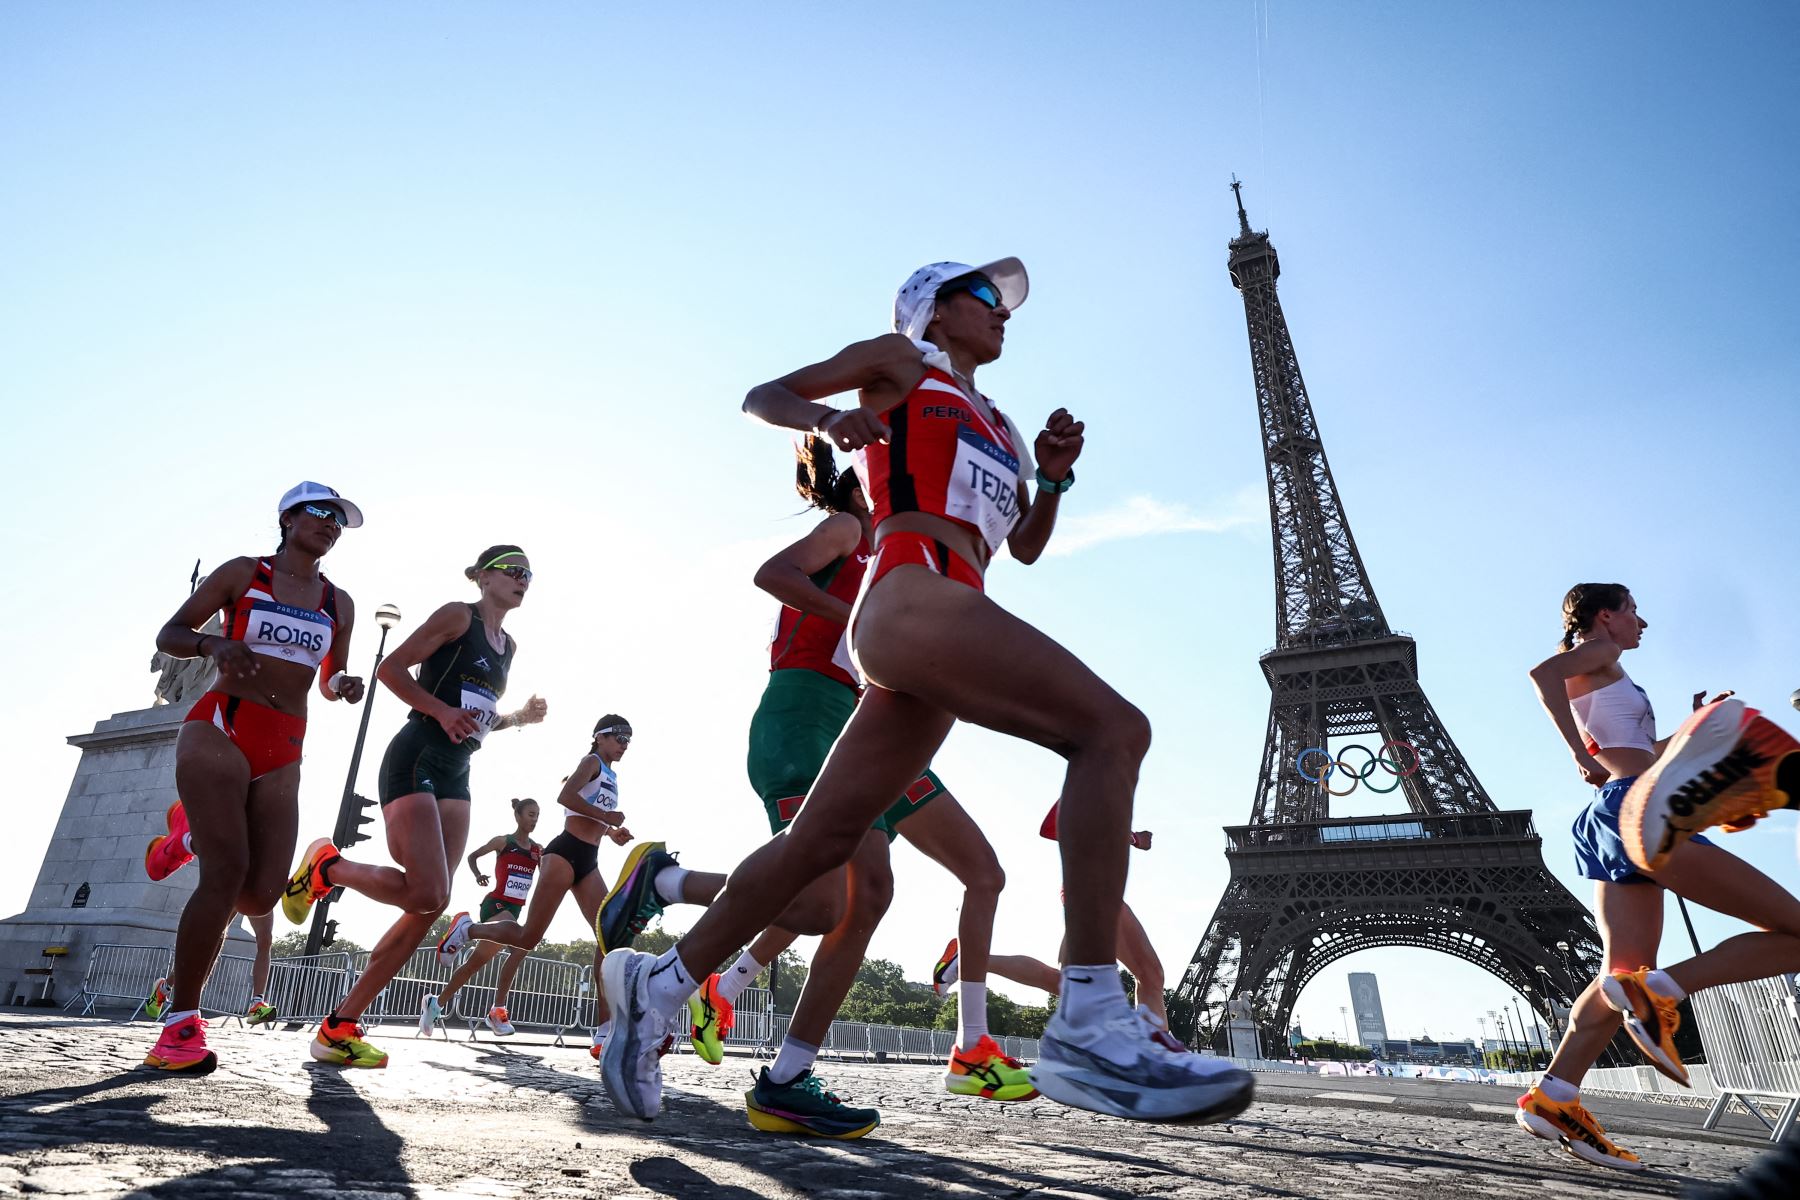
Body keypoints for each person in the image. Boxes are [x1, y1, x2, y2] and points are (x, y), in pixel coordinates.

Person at [597, 258, 1256, 1126]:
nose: (1002, 314)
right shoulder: (903, 364)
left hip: (951, 612)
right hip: (910, 594)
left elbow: (1021, 546)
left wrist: (1052, 477)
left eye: (1005, 304)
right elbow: (764, 394)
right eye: (985, 298)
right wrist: (828, 416)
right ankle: (1092, 1013)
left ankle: (662, 985)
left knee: (818, 844)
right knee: (1112, 730)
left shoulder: (1001, 423)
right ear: (933, 313)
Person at [699, 439, 1032, 1135]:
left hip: (863, 722)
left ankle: (790, 1056)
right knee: (828, 895)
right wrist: (853, 622)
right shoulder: (848, 529)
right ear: (862, 490)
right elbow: (772, 573)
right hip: (807, 714)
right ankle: (673, 898)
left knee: (915, 886)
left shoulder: (893, 557)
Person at [1513, 583, 1800, 1171]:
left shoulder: (1609, 672)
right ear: (1605, 616)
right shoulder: (1599, 654)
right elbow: (1541, 674)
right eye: (1634, 610)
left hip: (1619, 806)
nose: (1643, 621)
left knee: (1619, 972)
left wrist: (1694, 726)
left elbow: (1642, 751)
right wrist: (1578, 754)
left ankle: (1556, 1096)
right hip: (1641, 807)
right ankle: (1666, 988)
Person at [280, 544, 547, 1068]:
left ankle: (338, 1028)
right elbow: (393, 670)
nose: (522, 580)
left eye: (529, 575)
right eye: (513, 572)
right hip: (417, 753)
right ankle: (328, 867)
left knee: (428, 908)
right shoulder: (457, 616)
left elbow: (480, 716)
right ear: (482, 577)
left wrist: (519, 718)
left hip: (458, 770)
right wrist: (441, 710)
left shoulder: (508, 645)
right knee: (427, 889)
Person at [142, 482, 365, 1073]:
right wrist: (215, 643)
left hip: (284, 743)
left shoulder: (339, 602)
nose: (330, 525)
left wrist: (342, 685)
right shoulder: (244, 573)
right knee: (226, 874)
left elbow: (331, 673)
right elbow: (171, 634)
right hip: (221, 725)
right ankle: (179, 1026)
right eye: (320, 514)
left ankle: (183, 837)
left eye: (339, 521)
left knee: (261, 894)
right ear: (288, 518)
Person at [433, 716, 732, 1059]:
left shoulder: (611, 775)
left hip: (589, 860)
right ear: (600, 738)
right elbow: (565, 797)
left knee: (610, 937)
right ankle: (468, 930)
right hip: (564, 854)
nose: (624, 744)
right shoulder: (591, 762)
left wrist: (611, 832)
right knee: (529, 937)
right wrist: (608, 818)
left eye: (629, 740)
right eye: (619, 737)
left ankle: (604, 1031)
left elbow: (590, 813)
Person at [937, 804, 1183, 1055]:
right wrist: (1132, 837)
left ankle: (968, 960)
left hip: (1089, 890)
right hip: (1093, 891)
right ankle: (1155, 1055)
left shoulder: (1104, 779)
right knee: (1150, 974)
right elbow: (1052, 825)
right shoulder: (1094, 775)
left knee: (1067, 984)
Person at [146, 801, 281, 1028]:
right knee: (211, 941)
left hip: (256, 881)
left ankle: (257, 1003)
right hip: (236, 880)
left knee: (265, 940)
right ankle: (165, 989)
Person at [423, 797, 544, 1037]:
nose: (534, 820)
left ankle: (436, 1004)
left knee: (474, 965)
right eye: (530, 814)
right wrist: (479, 875)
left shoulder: (537, 850)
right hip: (495, 905)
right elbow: (472, 856)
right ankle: (497, 1011)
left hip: (515, 910)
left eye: (537, 816)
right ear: (518, 816)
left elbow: (547, 876)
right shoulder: (503, 842)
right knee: (521, 946)